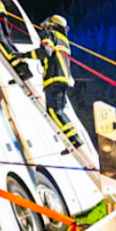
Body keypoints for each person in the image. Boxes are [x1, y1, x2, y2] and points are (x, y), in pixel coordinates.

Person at [28, 15, 83, 149]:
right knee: (60, 110)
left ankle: (73, 139)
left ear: (52, 25)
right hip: (64, 79)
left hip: (53, 78)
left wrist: (24, 56)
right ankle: (73, 136)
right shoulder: (63, 40)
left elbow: (45, 51)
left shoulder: (50, 34)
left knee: (54, 111)